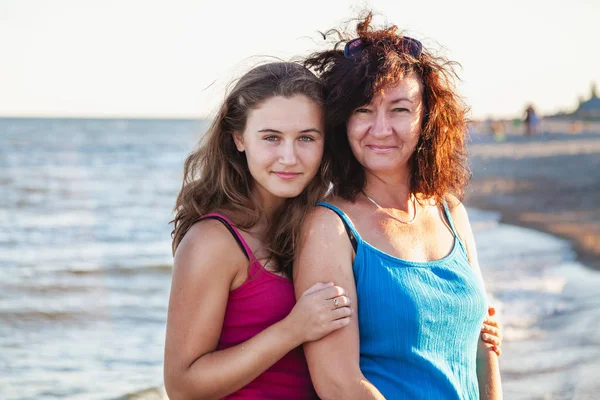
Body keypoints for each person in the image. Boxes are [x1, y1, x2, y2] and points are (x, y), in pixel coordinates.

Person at [295, 14, 502, 399]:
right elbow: (338, 383)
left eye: (399, 110)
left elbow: (482, 343)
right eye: (363, 110)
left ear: (427, 118)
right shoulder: (329, 227)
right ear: (342, 120)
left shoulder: (450, 211)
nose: (380, 128)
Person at [163, 62, 353, 400]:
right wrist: (292, 330)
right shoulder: (213, 241)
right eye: (271, 138)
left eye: (306, 138)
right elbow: (182, 386)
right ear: (239, 138)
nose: (289, 157)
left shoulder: (318, 225)